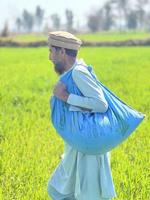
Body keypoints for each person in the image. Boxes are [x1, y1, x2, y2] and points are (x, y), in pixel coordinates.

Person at [47, 31, 117, 200]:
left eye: (51, 51)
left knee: (86, 194)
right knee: (61, 190)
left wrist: (65, 97)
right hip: (79, 144)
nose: (50, 57)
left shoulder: (79, 72)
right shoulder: (73, 73)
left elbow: (101, 104)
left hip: (88, 147)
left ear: (62, 51)